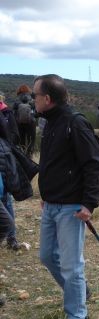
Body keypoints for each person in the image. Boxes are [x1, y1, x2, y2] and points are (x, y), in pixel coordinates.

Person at [34, 74, 99, 319]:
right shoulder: (51, 123)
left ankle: (78, 318)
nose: (33, 100)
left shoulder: (74, 124)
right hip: (52, 204)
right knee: (46, 256)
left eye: (35, 95)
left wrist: (89, 203)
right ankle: (80, 292)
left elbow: (95, 165)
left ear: (47, 98)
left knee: (71, 264)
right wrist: (47, 193)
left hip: (71, 207)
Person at [0, 91, 21, 250]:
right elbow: (14, 134)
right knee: (6, 199)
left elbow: (12, 134)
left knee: (6, 198)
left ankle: (11, 237)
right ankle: (11, 237)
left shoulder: (6, 112)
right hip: (6, 156)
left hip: (4, 157)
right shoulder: (7, 112)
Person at [13, 85, 36, 157]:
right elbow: (35, 110)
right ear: (28, 90)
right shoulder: (31, 98)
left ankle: (22, 156)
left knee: (21, 140)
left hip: (19, 122)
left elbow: (14, 110)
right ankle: (30, 156)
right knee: (31, 140)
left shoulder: (17, 98)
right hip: (31, 122)